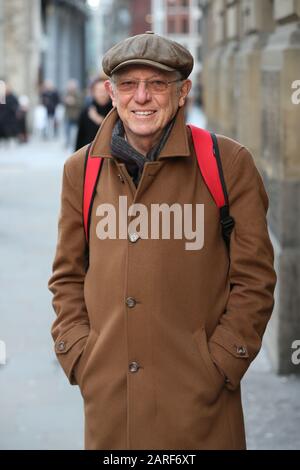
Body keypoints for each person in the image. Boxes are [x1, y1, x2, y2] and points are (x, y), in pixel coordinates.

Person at [48, 32, 277, 450]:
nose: (142, 98)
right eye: (129, 85)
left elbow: (255, 279)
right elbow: (66, 275)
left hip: (202, 409)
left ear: (182, 91)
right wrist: (80, 354)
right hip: (110, 406)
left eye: (157, 84)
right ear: (111, 93)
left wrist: (222, 362)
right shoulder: (80, 171)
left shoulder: (228, 163)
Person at [75, 76, 112, 150]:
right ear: (93, 93)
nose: (102, 94)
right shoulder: (86, 111)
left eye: (105, 91)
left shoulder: (115, 110)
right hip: (89, 154)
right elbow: (80, 137)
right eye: (99, 91)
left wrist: (98, 120)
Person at [63, 79, 82, 150]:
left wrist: (73, 102)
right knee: (66, 131)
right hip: (68, 116)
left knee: (74, 132)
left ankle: (73, 144)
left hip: (75, 117)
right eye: (70, 86)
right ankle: (67, 143)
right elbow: (62, 101)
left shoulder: (78, 94)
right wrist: (66, 101)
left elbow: (81, 103)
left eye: (72, 86)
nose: (70, 88)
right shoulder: (66, 93)